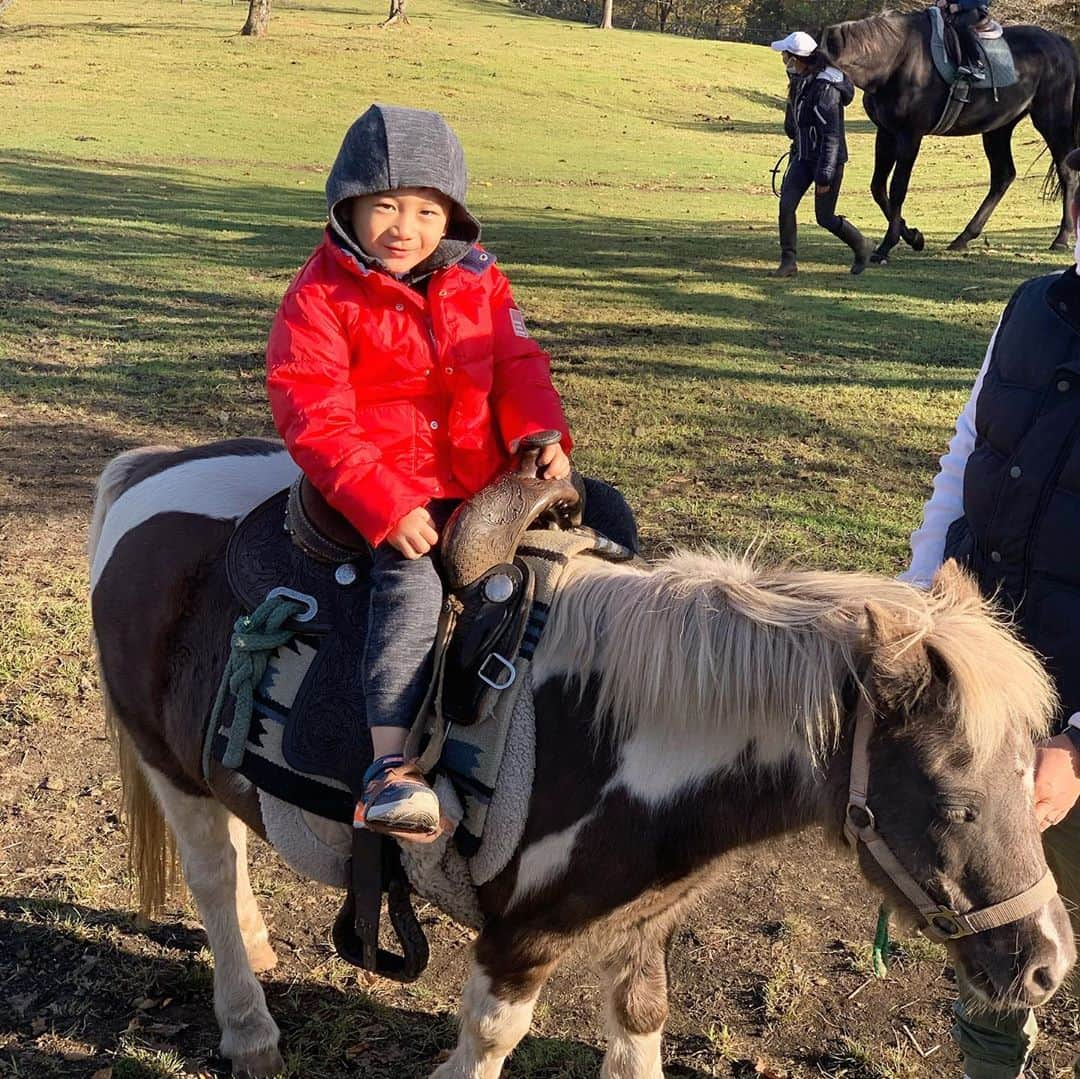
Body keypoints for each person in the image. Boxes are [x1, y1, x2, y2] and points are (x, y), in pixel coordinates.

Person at [266, 104, 574, 842]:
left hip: (484, 477)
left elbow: (514, 361)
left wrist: (539, 430)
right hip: (390, 487)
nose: (405, 226)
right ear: (349, 206)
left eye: (426, 209)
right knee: (413, 587)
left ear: (452, 216)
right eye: (386, 206)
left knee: (600, 533)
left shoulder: (479, 278)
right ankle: (390, 765)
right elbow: (311, 407)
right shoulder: (321, 296)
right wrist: (383, 504)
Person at [900, 149, 1080, 1079]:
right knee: (995, 919)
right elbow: (963, 457)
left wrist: (1077, 736)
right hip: (983, 675)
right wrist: (916, 608)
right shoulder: (1029, 309)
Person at [770, 31, 869, 279]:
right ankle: (788, 261)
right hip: (803, 157)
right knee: (786, 205)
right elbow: (796, 122)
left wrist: (824, 176)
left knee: (824, 218)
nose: (784, 60)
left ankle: (862, 246)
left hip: (828, 162)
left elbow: (831, 136)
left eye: (786, 56)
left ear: (798, 58)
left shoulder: (826, 89)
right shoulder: (802, 78)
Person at [937, 0, 991, 80]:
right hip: (952, 11)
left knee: (960, 25)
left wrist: (960, 6)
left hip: (974, 9)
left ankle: (976, 64)